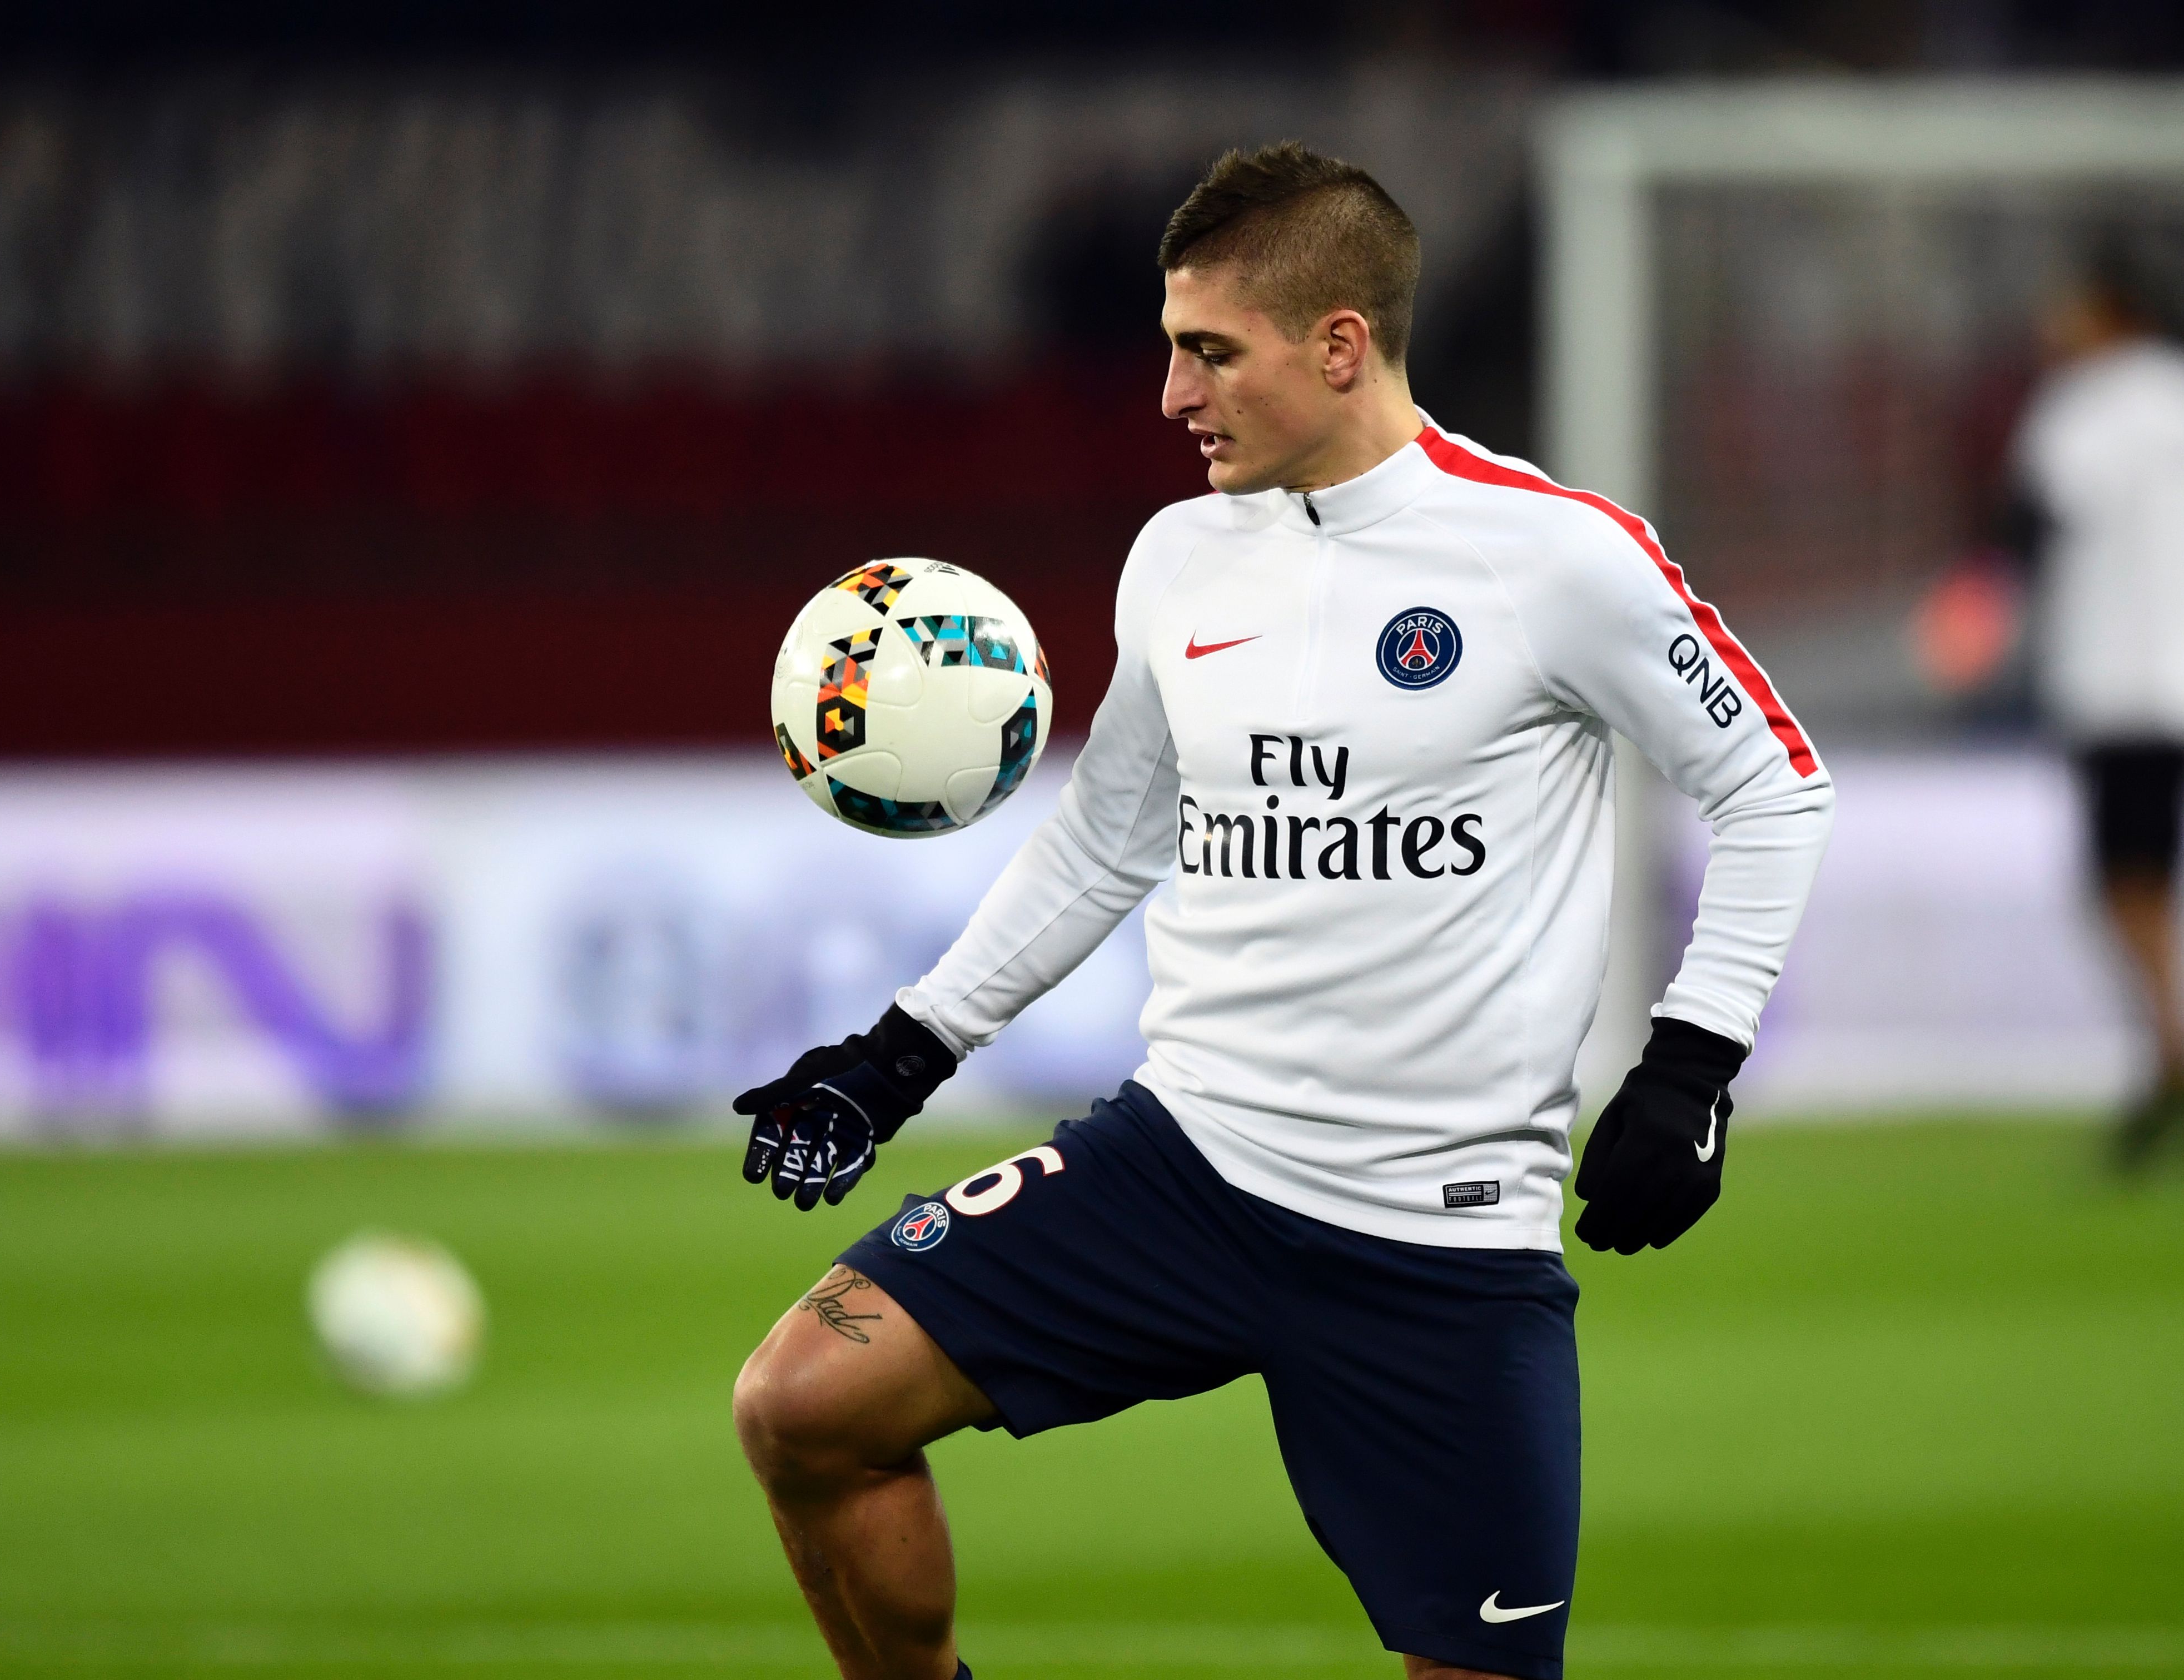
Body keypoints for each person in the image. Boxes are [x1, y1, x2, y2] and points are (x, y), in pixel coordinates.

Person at [728, 142, 1834, 1680]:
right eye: (1168, 349)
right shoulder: (1178, 557)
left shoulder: (1552, 556)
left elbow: (1773, 786)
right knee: (799, 1402)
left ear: (1337, 343)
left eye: (1206, 352)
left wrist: (1688, 1063)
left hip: (1434, 1237)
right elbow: (1105, 837)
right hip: (1180, 1167)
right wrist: (904, 1046)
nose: (1171, 397)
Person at [2008, 237, 2184, 1171]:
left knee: (2126, 883)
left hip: (2125, 687)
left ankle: (2168, 1050)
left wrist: (1973, 614)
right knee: (2139, 882)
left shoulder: (2083, 409)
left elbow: (2035, 520)